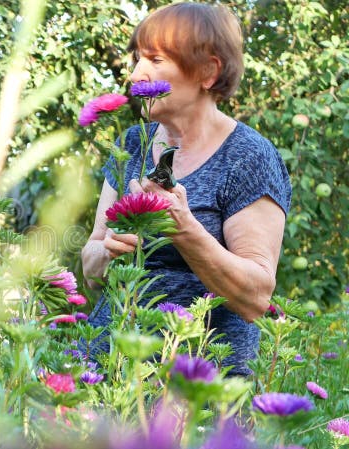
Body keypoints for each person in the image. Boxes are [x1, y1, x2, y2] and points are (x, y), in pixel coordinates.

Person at [80, 2, 291, 376]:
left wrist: (185, 229)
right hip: (110, 369)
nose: (135, 74)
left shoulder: (248, 157)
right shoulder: (132, 143)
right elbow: (92, 269)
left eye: (156, 60)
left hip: (198, 383)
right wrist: (108, 249)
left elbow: (256, 297)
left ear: (208, 71)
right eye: (137, 58)